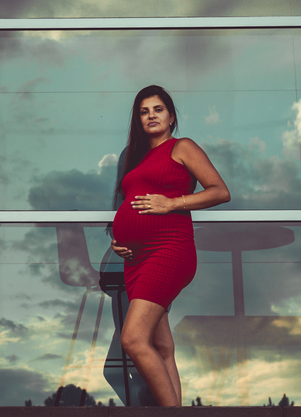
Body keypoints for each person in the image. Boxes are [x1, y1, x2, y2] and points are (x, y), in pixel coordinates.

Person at [109, 84, 230, 407]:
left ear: (171, 116)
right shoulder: (136, 159)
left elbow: (220, 191)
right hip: (136, 259)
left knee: (133, 339)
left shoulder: (182, 147)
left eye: (158, 109)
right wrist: (118, 240)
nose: (151, 115)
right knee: (162, 348)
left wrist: (172, 203)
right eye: (144, 111)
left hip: (169, 249)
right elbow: (129, 205)